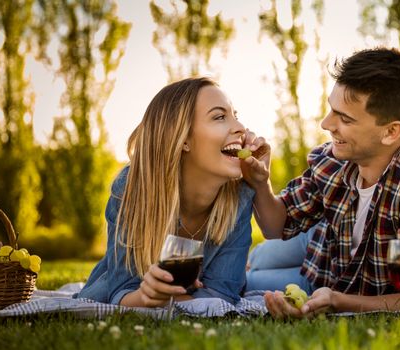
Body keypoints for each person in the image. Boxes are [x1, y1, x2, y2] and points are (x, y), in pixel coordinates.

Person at [241, 47, 400, 318]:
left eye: (345, 118)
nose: (327, 124)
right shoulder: (335, 158)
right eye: (331, 109)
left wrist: (337, 301)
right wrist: (260, 182)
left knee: (243, 283)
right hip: (323, 243)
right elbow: (275, 225)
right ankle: (252, 264)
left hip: (329, 279)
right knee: (258, 258)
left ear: (390, 131)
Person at [76, 77, 265, 307]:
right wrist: (147, 295)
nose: (241, 128)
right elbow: (120, 291)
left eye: (235, 115)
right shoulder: (132, 188)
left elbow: (223, 294)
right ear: (183, 139)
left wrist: (172, 299)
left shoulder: (240, 196)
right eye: (219, 117)